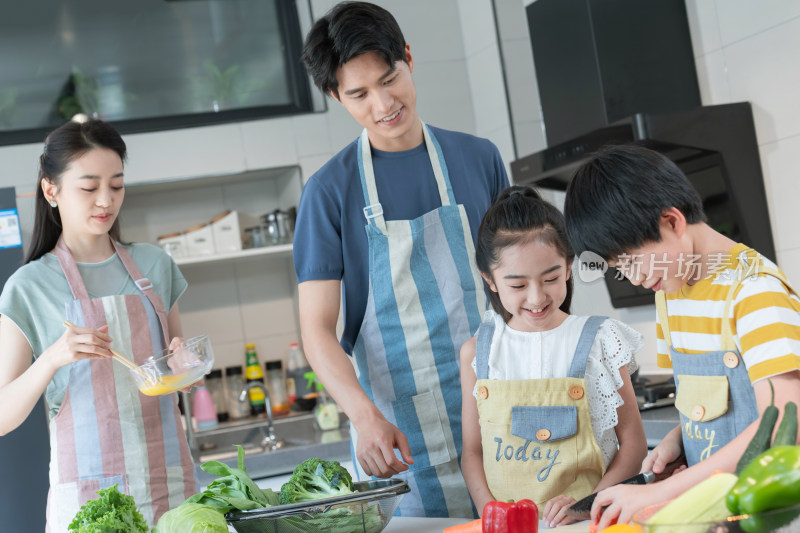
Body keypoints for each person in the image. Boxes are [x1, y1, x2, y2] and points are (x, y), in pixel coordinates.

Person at [294, 1, 509, 517]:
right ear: (334, 96)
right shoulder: (328, 191)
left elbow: (517, 284)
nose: (383, 103)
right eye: (359, 94)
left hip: (502, 414)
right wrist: (363, 416)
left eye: (390, 79)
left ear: (408, 58)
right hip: (400, 437)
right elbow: (317, 330)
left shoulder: (479, 158)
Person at [563, 144, 800, 528]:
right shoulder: (670, 296)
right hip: (711, 515)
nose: (635, 278)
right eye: (618, 268)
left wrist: (658, 492)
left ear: (672, 222)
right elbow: (712, 411)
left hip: (769, 515)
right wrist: (679, 440)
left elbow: (784, 425)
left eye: (632, 260)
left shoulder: (754, 292)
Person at [0, 119, 197, 531]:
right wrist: (53, 357)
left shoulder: (154, 265)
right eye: (89, 188)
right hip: (90, 506)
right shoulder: (29, 287)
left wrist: (185, 367)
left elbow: (177, 364)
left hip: (172, 491)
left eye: (117, 185)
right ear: (51, 190)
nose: (105, 200)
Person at [459, 185, 647, 527]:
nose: (536, 297)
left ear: (569, 267)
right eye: (517, 286)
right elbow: (473, 451)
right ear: (490, 279)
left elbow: (633, 443)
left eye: (551, 278)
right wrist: (493, 515)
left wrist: (589, 505)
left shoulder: (600, 340)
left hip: (590, 523)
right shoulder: (478, 352)